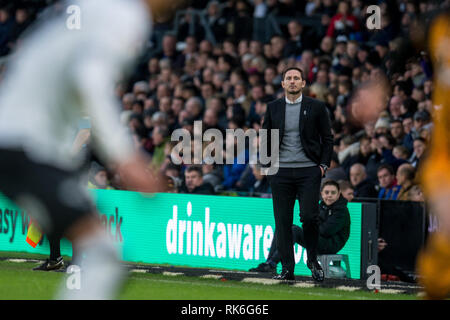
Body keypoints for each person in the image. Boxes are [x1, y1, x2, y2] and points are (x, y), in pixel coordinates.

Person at [0, 0, 175, 300]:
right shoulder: (127, 16)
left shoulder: (95, 9)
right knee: (102, 252)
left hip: (25, 140)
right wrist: (125, 156)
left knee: (97, 246)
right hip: (24, 143)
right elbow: (90, 80)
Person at [261, 66, 333, 282]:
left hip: (308, 171)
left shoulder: (317, 107)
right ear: (282, 83)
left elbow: (327, 138)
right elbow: (266, 137)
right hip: (281, 172)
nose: (292, 81)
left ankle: (312, 260)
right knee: (282, 221)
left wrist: (323, 166)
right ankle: (287, 268)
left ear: (303, 83)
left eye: (296, 78)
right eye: (288, 78)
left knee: (310, 217)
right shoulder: (273, 107)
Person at [250, 180, 350, 273]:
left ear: (339, 193)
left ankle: (272, 264)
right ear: (322, 193)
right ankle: (269, 263)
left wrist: (312, 226)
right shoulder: (322, 206)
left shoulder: (341, 210)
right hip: (317, 239)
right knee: (283, 228)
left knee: (294, 231)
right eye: (326, 192)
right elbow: (314, 225)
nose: (329, 195)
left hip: (330, 245)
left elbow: (326, 231)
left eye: (333, 193)